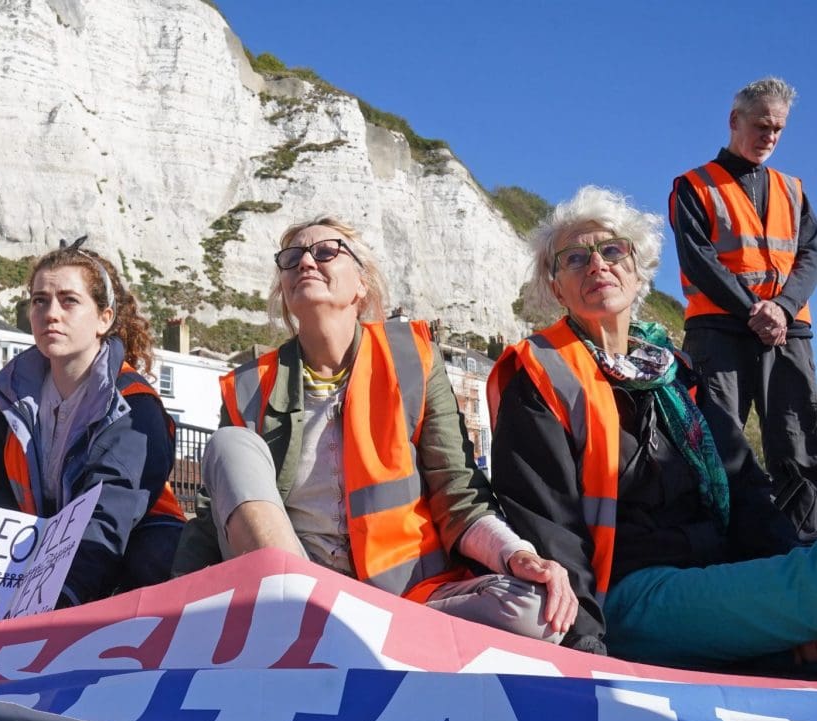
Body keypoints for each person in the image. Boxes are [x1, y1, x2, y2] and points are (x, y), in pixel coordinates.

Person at [488, 186, 817, 684]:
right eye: (575, 258)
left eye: (611, 250)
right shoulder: (540, 376)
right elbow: (548, 526)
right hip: (625, 597)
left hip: (720, 586)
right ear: (556, 287)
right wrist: (587, 651)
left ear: (638, 267)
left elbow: (747, 489)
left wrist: (806, 612)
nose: (597, 265)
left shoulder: (679, 374)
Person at [173, 216, 581, 647]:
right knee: (230, 444)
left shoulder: (414, 360)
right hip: (293, 593)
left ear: (361, 285)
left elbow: (457, 490)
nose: (307, 262)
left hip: (408, 599)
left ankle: (343, 640)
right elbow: (211, 517)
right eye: (293, 258)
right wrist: (174, 612)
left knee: (536, 611)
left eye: (326, 251)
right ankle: (313, 621)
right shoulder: (249, 386)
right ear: (285, 292)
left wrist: (516, 554)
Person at [0, 238, 184, 606]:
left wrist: (58, 601)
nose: (51, 313)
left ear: (104, 319)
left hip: (126, 541)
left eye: (69, 301)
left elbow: (108, 516)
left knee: (155, 556)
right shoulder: (8, 394)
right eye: (40, 301)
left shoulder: (133, 404)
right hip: (40, 536)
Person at [670, 76, 817, 532]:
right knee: (716, 441)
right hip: (719, 330)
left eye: (778, 129)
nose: (770, 137)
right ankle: (723, 544)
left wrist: (781, 307)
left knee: (800, 442)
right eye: (762, 126)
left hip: (788, 329)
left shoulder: (793, 189)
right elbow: (698, 258)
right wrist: (753, 309)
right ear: (734, 121)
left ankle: (808, 541)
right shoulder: (694, 185)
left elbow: (811, 254)